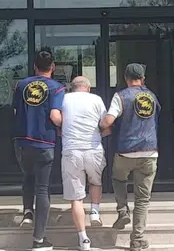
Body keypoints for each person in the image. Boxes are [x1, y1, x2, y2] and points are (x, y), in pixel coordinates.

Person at [100, 63, 160, 251]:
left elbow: (108, 120)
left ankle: (122, 210)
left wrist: (101, 125)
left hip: (125, 151)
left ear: (125, 78)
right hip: (149, 152)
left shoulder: (121, 96)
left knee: (118, 179)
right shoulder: (152, 96)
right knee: (142, 199)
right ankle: (137, 239)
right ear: (143, 79)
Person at [12, 50, 65, 251]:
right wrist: (65, 126)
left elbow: (15, 110)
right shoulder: (56, 88)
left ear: (35, 66)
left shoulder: (21, 85)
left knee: (27, 176)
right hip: (44, 142)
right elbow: (55, 116)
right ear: (53, 67)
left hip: (21, 140)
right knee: (42, 188)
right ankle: (39, 240)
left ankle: (27, 212)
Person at [60, 76, 110, 251]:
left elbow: (57, 121)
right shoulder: (96, 99)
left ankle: (83, 239)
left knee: (76, 198)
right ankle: (95, 211)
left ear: (72, 87)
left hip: (71, 151)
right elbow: (106, 125)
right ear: (88, 88)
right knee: (95, 182)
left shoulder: (64, 99)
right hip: (93, 149)